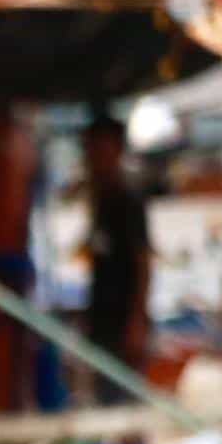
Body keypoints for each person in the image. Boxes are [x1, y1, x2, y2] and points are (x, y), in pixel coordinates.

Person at [79, 115, 151, 406]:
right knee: (103, 400)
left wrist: (136, 322)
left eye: (101, 150)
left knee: (123, 405)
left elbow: (143, 261)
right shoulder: (100, 199)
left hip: (123, 324)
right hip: (102, 320)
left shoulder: (128, 200)